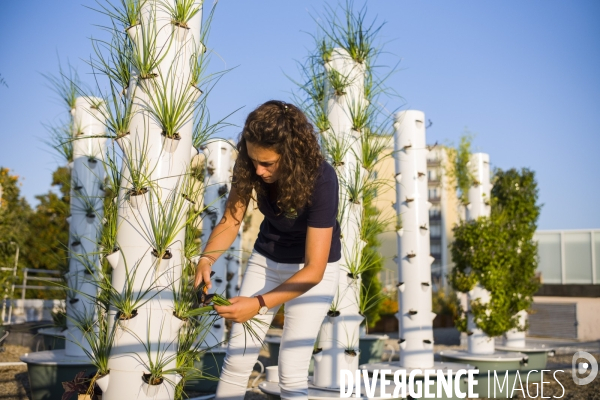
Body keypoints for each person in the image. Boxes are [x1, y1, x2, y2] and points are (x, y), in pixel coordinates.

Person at [194, 100, 341, 400]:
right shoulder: (250, 162)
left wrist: (258, 303)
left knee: (291, 369)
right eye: (253, 161)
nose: (258, 171)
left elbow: (314, 270)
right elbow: (232, 218)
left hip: (311, 270)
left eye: (268, 164)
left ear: (291, 153)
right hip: (267, 259)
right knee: (237, 359)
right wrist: (206, 258)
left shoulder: (322, 180)